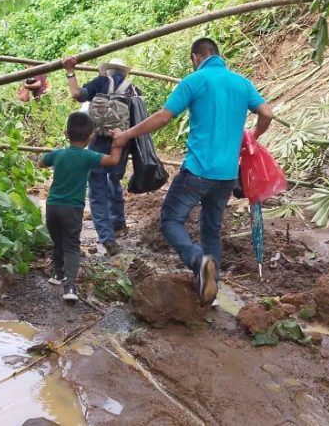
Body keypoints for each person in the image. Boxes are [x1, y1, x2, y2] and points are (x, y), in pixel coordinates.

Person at [113, 38, 274, 306]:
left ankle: (198, 261)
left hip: (198, 170)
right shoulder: (241, 83)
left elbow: (164, 116)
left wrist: (126, 135)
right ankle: (211, 289)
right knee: (211, 229)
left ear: (195, 57)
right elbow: (266, 113)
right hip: (227, 174)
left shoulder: (193, 81)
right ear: (217, 55)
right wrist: (252, 136)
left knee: (170, 220)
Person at [40, 112, 125, 302]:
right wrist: (117, 142)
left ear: (66, 133)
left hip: (52, 206)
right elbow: (113, 160)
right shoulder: (89, 156)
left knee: (58, 241)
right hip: (72, 209)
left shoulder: (58, 154)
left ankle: (58, 273)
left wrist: (53, 155)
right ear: (90, 137)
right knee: (71, 245)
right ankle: (70, 286)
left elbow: (41, 162)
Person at [62, 56, 136, 254]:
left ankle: (107, 237)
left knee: (97, 191)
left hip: (98, 142)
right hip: (121, 143)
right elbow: (137, 123)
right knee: (114, 180)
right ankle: (118, 223)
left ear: (105, 71)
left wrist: (70, 71)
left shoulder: (101, 82)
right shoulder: (133, 90)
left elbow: (77, 94)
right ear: (124, 73)